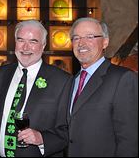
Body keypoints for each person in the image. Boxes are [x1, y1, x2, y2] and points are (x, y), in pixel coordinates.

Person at [37, 17, 138, 157]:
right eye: (76, 38)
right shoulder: (73, 81)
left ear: (105, 42)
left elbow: (130, 140)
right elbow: (70, 129)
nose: (81, 43)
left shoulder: (122, 78)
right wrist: (41, 138)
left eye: (90, 37)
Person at [0, 20, 73, 157]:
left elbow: (68, 129)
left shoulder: (62, 80)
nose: (25, 47)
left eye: (33, 41)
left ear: (43, 45)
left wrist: (42, 138)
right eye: (21, 40)